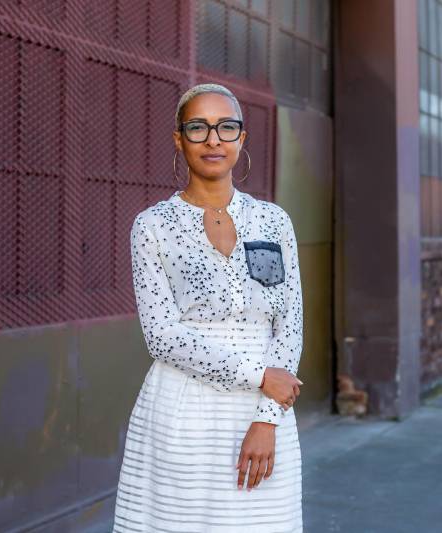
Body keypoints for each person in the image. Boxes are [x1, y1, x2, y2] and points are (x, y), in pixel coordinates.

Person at [112, 83, 305, 532]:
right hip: (183, 412)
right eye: (198, 127)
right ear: (179, 139)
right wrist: (259, 376)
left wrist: (267, 417)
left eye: (226, 127)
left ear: (242, 138)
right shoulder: (153, 225)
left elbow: (289, 324)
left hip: (264, 409)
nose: (213, 139)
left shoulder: (273, 222)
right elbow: (162, 335)